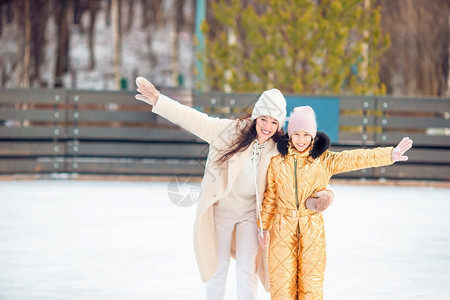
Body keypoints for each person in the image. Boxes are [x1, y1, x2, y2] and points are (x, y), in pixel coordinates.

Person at [134, 77, 335, 300]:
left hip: (251, 216)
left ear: (280, 125)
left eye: (274, 122)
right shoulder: (229, 131)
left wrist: (323, 193)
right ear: (256, 117)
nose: (267, 127)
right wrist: (159, 101)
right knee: (218, 269)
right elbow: (192, 119)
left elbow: (304, 170)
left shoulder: (279, 150)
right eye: (264, 119)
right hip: (222, 211)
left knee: (246, 271)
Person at [258, 106, 413, 300]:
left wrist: (389, 155)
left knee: (311, 286)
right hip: (281, 229)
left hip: (312, 230)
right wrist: (263, 227)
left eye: (306, 134)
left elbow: (354, 158)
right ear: (289, 134)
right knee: (281, 287)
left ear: (313, 136)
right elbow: (271, 196)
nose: (300, 140)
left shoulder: (324, 160)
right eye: (296, 134)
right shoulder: (277, 160)